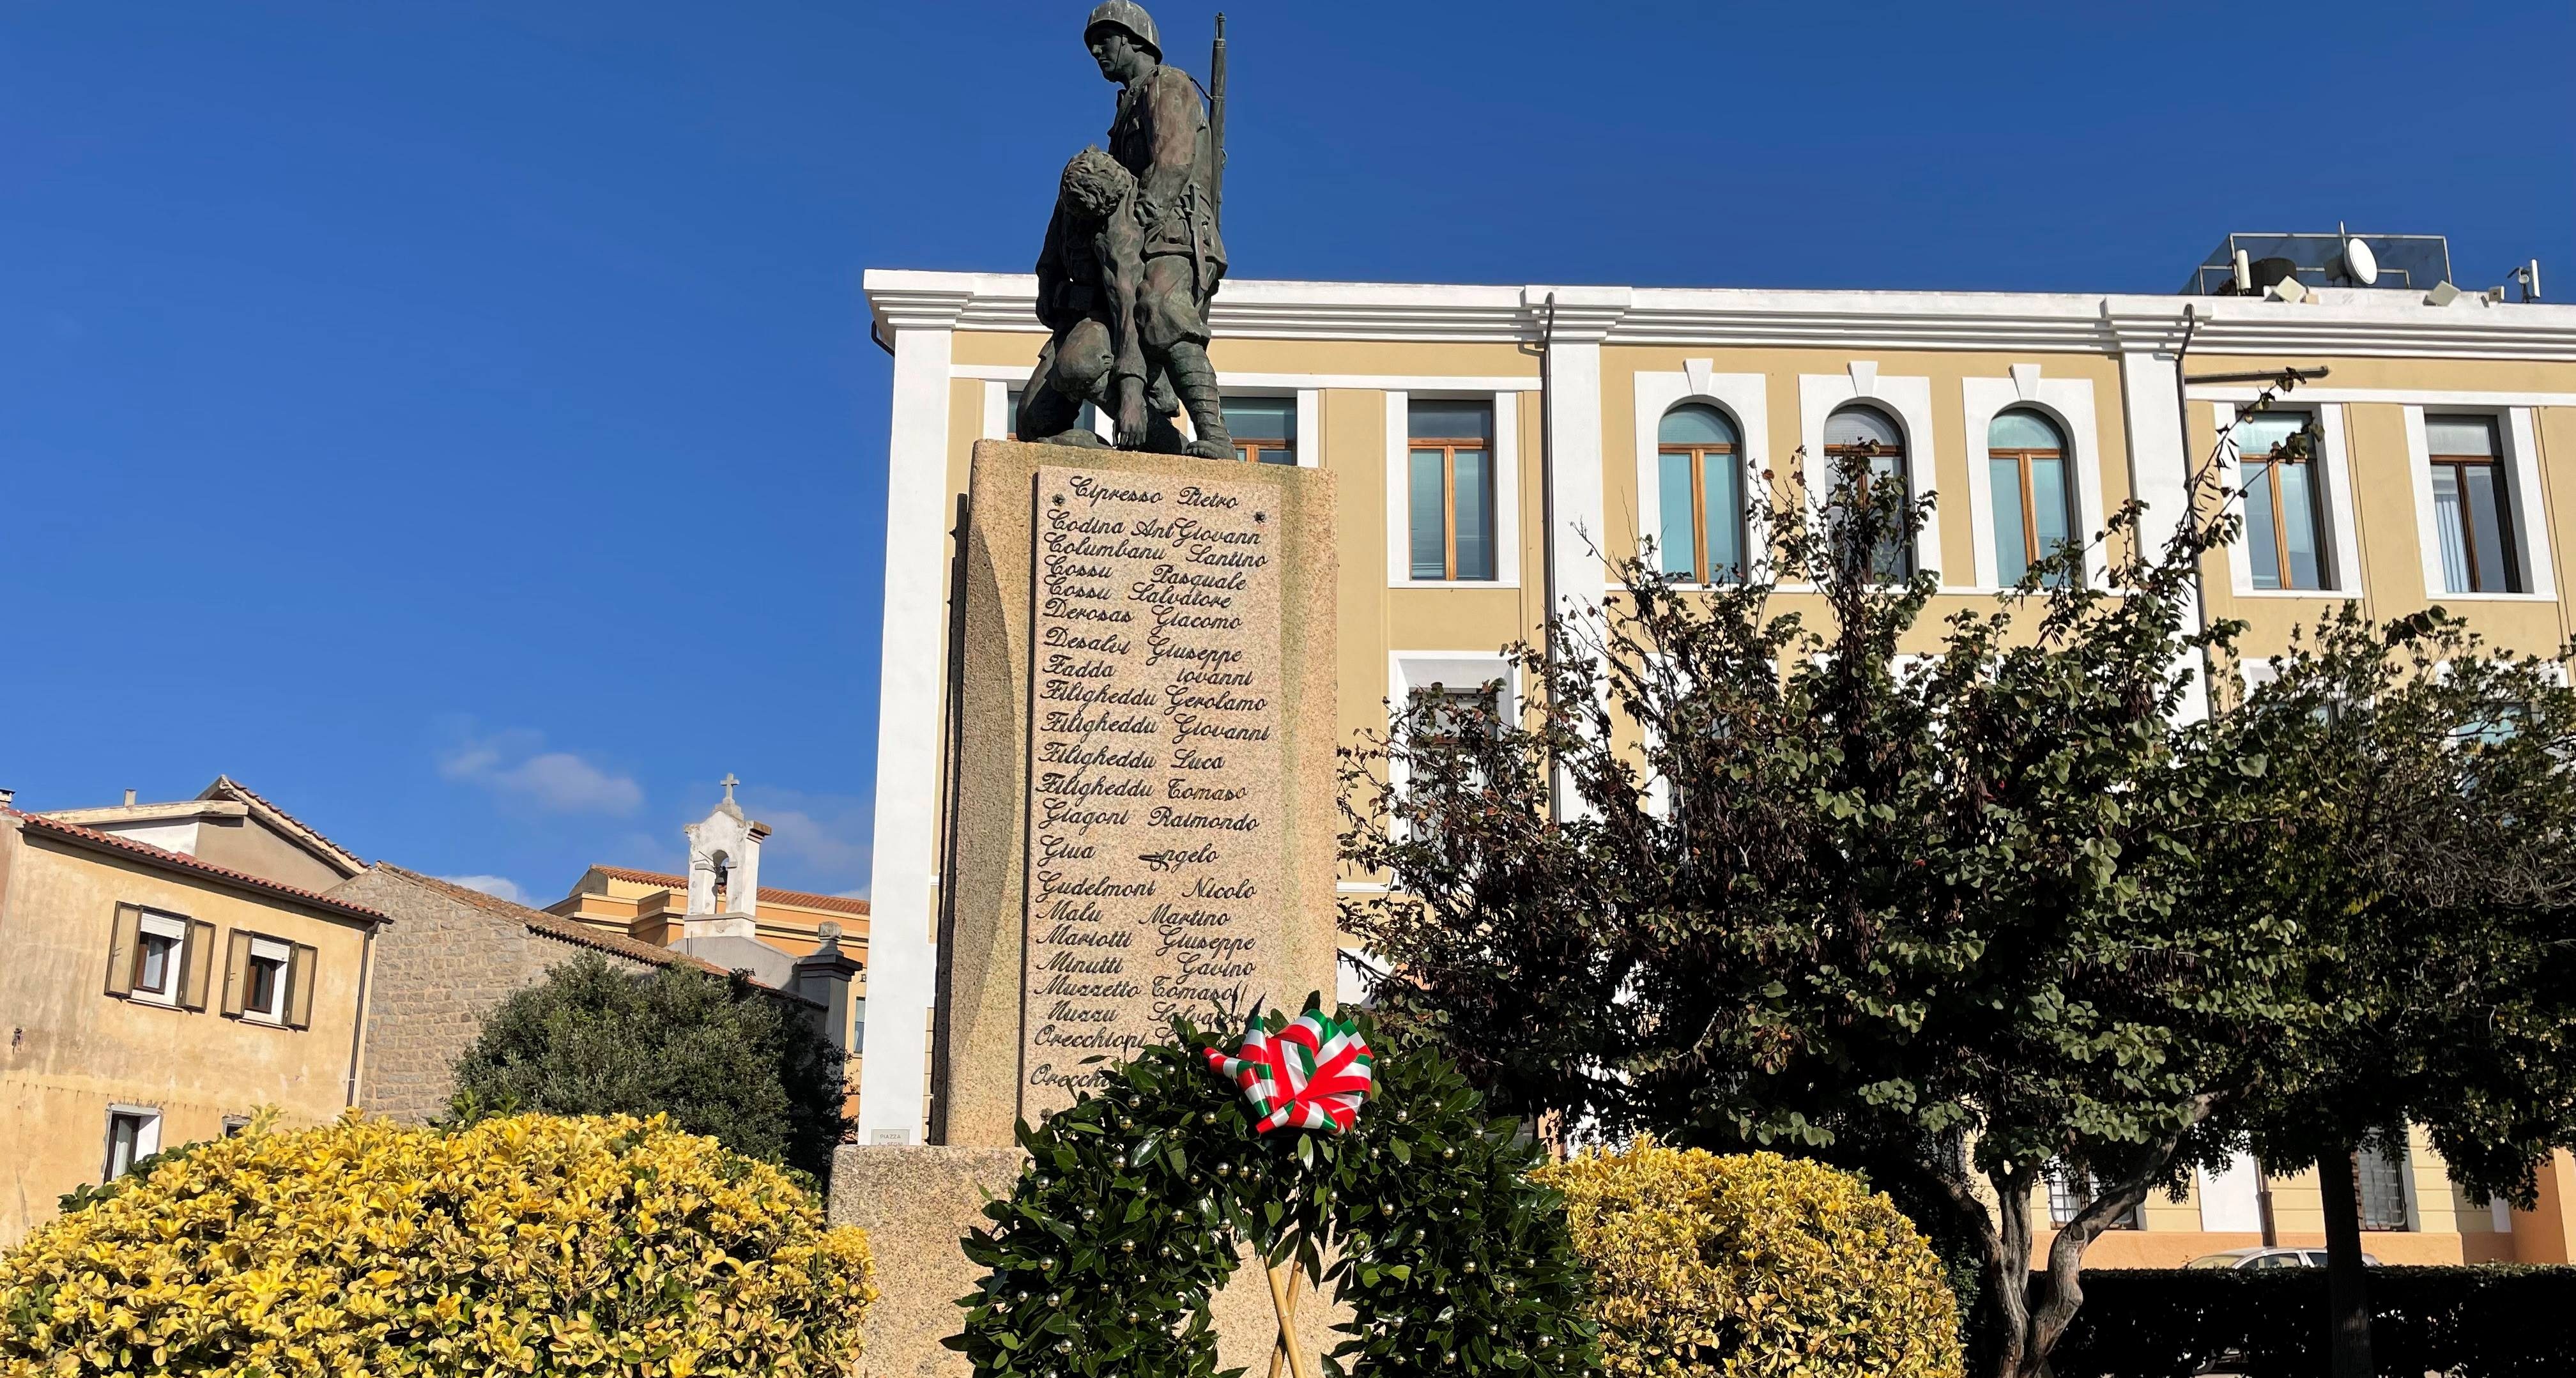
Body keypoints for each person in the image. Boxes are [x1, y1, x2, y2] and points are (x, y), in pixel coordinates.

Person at [1082, 0, 1230, 458]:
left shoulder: (1168, 85)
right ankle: (1161, 439)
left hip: (1176, 231)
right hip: (1141, 237)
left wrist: (1138, 221)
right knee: (1099, 345)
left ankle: (1215, 435)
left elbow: (1173, 161)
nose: (1097, 52)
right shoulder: (1127, 105)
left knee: (1161, 311)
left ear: (1133, 40)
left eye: (1104, 41)